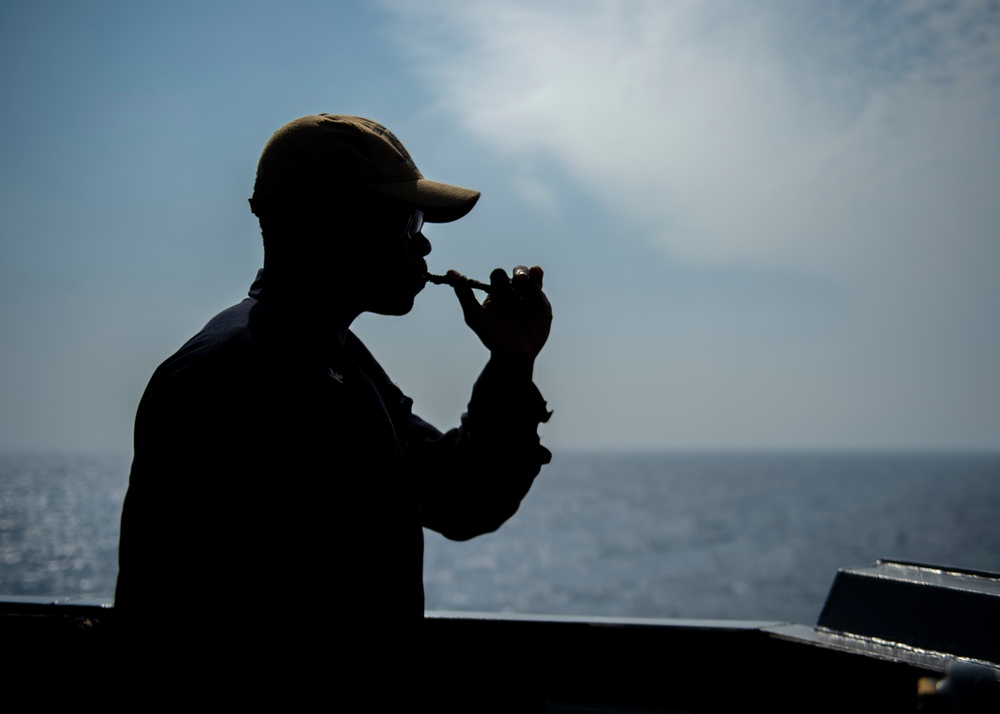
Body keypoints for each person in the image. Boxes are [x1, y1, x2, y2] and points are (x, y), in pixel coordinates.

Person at [113, 115, 552, 678]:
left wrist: (512, 365)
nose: (423, 241)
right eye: (408, 219)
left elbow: (461, 497)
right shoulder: (222, 381)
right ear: (336, 222)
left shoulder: (334, 361)